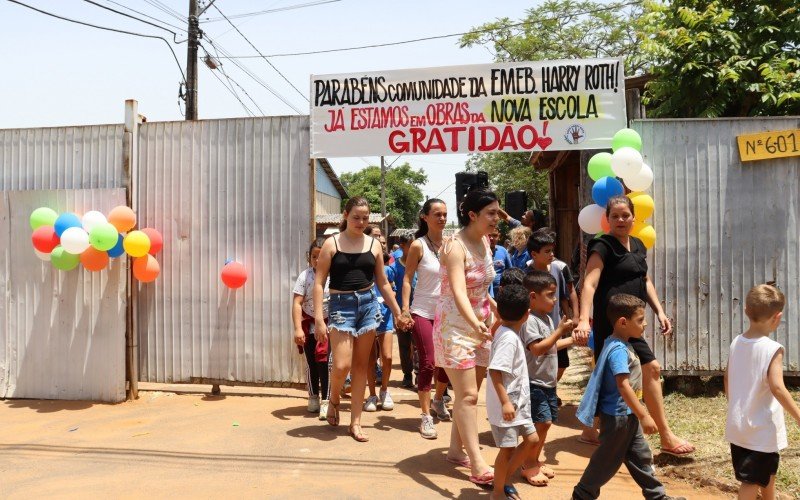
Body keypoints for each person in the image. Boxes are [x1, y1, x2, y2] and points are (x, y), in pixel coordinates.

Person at [574, 196, 694, 456]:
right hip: (613, 323)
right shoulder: (602, 245)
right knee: (649, 367)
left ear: (633, 217)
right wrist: (584, 319)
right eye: (614, 216)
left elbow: (645, 280)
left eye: (625, 215)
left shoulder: (638, 245)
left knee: (612, 373)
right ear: (607, 219)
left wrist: (660, 311)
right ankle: (666, 435)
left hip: (633, 321)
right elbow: (590, 283)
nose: (620, 220)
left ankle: (589, 431)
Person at [313, 197, 408, 443]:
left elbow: (383, 283)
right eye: (356, 216)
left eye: (365, 217)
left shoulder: (374, 245)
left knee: (361, 366)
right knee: (342, 365)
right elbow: (319, 282)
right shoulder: (331, 244)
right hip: (340, 306)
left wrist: (398, 312)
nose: (361, 221)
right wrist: (319, 320)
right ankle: (334, 398)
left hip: (367, 304)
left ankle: (355, 422)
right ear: (345, 215)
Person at [573, 294, 685, 500]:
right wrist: (644, 415)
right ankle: (582, 495)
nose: (644, 325)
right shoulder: (617, 350)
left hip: (627, 415)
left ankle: (657, 496)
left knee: (640, 457)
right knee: (605, 462)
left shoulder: (620, 343)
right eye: (640, 320)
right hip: (618, 417)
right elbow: (623, 386)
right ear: (623, 322)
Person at [433, 188, 498, 485]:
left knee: (467, 395)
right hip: (455, 329)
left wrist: (496, 311)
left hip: (481, 326)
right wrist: (474, 323)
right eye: (491, 213)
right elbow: (458, 290)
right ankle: (477, 463)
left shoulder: (484, 240)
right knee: (469, 396)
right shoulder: (454, 246)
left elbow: (483, 285)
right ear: (472, 215)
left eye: (497, 212)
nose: (497, 218)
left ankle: (456, 449)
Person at [725, 284, 800, 500]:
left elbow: (728, 377)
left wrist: (736, 407)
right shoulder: (772, 348)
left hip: (739, 427)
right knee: (750, 482)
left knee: (767, 473)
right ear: (778, 317)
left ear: (746, 310)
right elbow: (777, 387)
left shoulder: (736, 342)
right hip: (760, 429)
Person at [401, 199, 452, 439]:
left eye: (444, 214)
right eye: (437, 214)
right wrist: (404, 308)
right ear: (425, 217)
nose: (442, 218)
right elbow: (408, 278)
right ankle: (425, 416)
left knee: (446, 363)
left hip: (447, 312)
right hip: (422, 311)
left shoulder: (452, 244)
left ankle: (439, 399)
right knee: (428, 362)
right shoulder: (418, 246)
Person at [519, 271, 575, 487]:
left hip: (548, 383)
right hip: (534, 382)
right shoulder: (530, 320)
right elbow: (538, 349)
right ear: (533, 297)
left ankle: (534, 459)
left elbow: (550, 345)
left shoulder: (545, 319)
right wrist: (559, 330)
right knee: (540, 423)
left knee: (545, 424)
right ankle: (527, 464)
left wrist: (570, 339)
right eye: (550, 295)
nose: (554, 300)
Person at [486, 284, 539, 500]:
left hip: (517, 406)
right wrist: (506, 403)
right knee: (507, 450)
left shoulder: (504, 331)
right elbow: (496, 372)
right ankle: (498, 492)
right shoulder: (508, 339)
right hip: (506, 406)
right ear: (527, 315)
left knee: (532, 440)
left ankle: (504, 479)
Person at [527, 229, 579, 389]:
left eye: (552, 250)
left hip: (556, 326)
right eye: (547, 251)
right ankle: (541, 390)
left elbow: (565, 295)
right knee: (538, 361)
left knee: (561, 362)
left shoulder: (557, 269)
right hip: (535, 327)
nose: (551, 254)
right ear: (534, 254)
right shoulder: (527, 273)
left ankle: (551, 387)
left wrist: (573, 316)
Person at [291, 237, 330, 420]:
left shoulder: (334, 276)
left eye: (321, 257)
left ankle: (326, 401)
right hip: (309, 325)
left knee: (326, 363)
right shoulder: (304, 276)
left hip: (329, 326)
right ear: (310, 257)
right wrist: (298, 328)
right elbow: (297, 303)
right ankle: (313, 397)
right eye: (314, 257)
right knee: (312, 363)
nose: (317, 260)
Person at [365, 250, 395, 412]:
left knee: (387, 356)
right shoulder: (363, 271)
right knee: (370, 359)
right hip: (367, 318)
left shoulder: (388, 270)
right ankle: (371, 395)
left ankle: (384, 390)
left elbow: (392, 289)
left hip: (385, 316)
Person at [390, 233, 417, 390]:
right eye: (410, 246)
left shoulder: (421, 264)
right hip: (402, 313)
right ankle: (407, 375)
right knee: (404, 344)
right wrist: (397, 313)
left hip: (420, 311)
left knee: (419, 345)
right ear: (402, 247)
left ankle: (420, 374)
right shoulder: (395, 268)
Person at [489, 227, 513, 298]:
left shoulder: (503, 251)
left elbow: (510, 271)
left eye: (495, 235)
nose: (492, 238)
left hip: (501, 294)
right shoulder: (479, 252)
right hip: (484, 294)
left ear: (499, 237)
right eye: (489, 235)